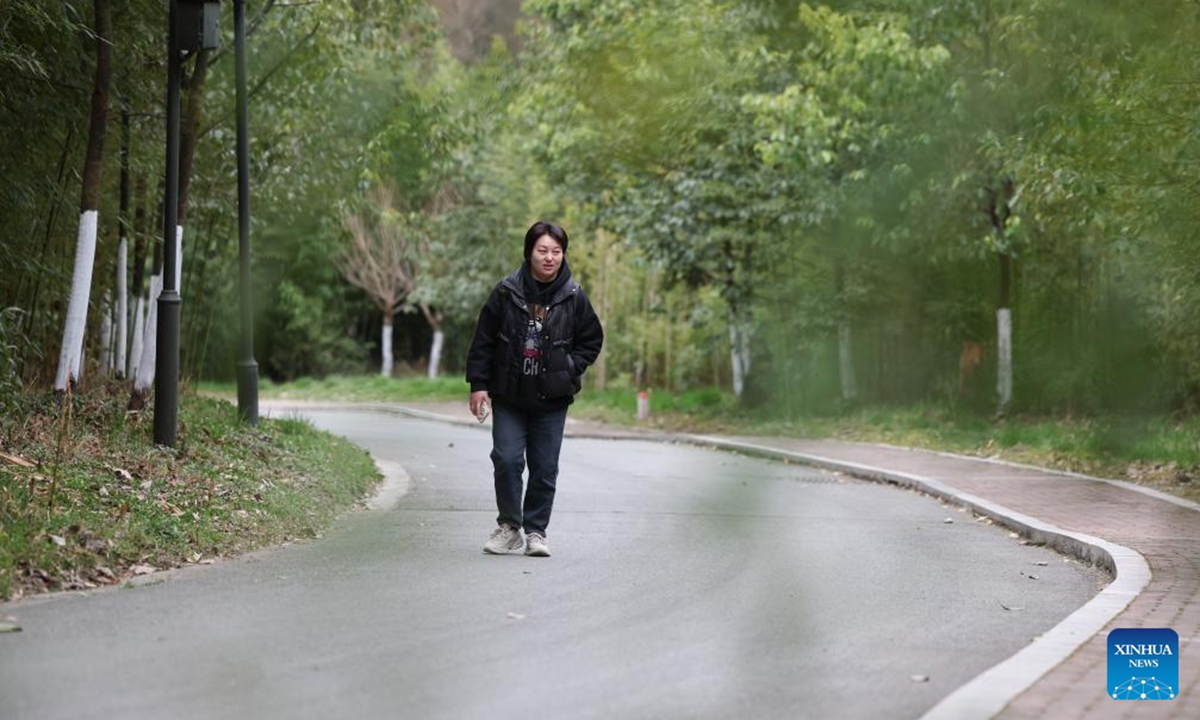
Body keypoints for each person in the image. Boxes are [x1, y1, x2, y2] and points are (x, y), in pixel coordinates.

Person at [466, 221, 604, 557]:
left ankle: (536, 532)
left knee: (544, 467)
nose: (549, 257)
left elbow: (592, 339)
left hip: (552, 399)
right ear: (529, 253)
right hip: (510, 394)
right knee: (507, 458)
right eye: (543, 250)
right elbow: (483, 341)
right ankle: (509, 527)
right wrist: (479, 385)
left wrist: (569, 368)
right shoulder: (505, 292)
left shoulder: (574, 296)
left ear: (563, 255)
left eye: (556, 251)